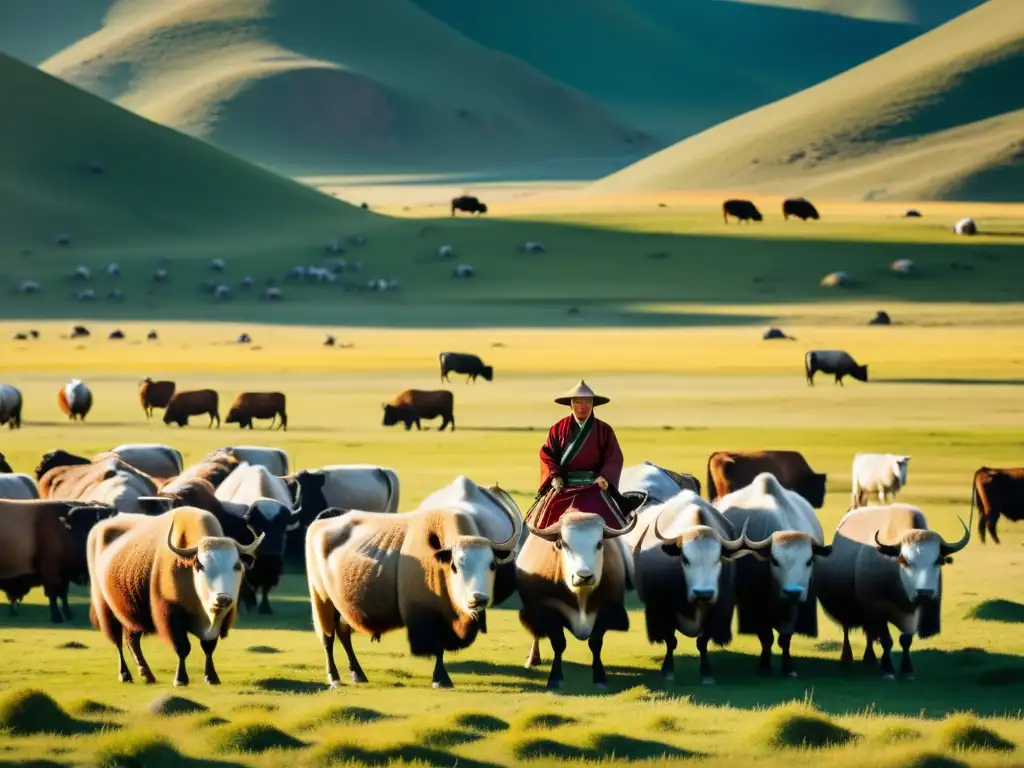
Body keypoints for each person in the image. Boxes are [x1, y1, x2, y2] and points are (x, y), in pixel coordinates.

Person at [531, 380, 626, 529]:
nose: (582, 407)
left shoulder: (604, 429)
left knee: (616, 523)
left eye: (587, 402)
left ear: (593, 404)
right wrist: (554, 476)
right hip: (563, 486)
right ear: (571, 404)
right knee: (540, 521)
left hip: (594, 486)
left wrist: (605, 477)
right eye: (578, 402)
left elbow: (614, 457)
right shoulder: (557, 428)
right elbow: (547, 455)